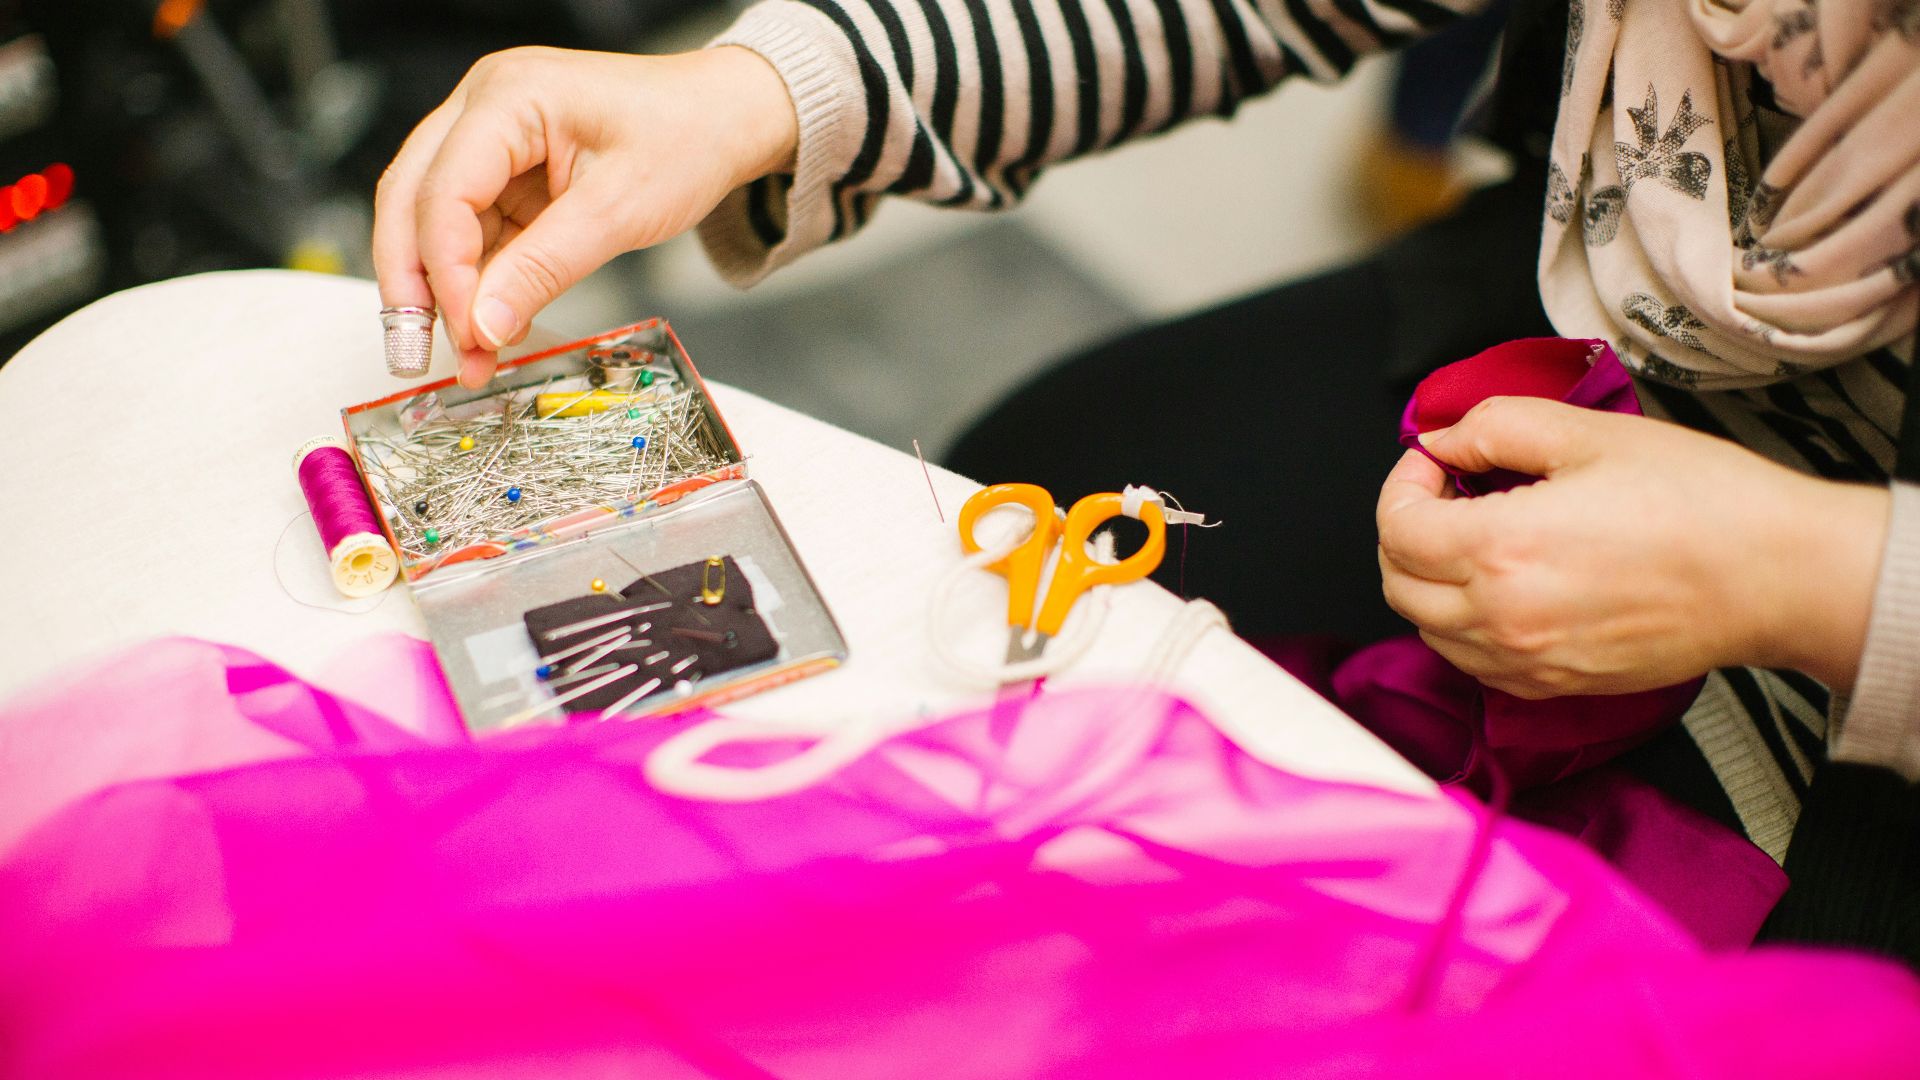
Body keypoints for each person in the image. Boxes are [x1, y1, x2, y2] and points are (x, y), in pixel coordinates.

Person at [373, 0, 1920, 954]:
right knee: (1025, 496)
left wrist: (1815, 578)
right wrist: (762, 91)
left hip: (1863, 707)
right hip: (1553, 346)